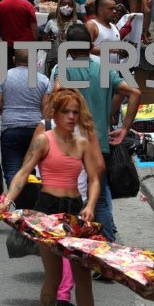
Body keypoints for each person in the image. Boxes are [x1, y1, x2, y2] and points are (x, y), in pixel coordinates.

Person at [0, 88, 103, 306]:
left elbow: (95, 178)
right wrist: (8, 200)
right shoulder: (44, 139)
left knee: (83, 278)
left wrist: (91, 205)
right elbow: (24, 172)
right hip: (47, 212)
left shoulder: (82, 143)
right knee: (52, 278)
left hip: (74, 211)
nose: (71, 117)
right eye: (66, 112)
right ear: (55, 112)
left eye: (75, 112)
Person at [52, 25, 141, 243]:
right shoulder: (104, 69)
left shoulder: (63, 69)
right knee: (99, 197)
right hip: (100, 144)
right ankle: (105, 246)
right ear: (91, 46)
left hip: (70, 145)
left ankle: (75, 244)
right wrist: (124, 128)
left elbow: (56, 93)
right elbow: (135, 93)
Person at [0, 48, 49, 186]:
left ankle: (14, 202)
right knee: (33, 170)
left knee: (12, 170)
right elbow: (46, 109)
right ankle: (30, 201)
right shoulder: (44, 80)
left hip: (11, 129)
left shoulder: (3, 77)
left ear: (14, 60)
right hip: (36, 130)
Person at [43, 0, 81, 76]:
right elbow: (44, 41)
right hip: (53, 58)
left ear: (73, 8)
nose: (67, 7)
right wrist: (48, 40)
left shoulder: (78, 23)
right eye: (64, 4)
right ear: (59, 6)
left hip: (72, 59)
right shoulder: (51, 23)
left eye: (70, 5)